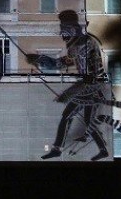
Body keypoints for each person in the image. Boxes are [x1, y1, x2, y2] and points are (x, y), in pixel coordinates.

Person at [27, 10, 111, 160]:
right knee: (85, 120)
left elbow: (92, 72)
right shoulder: (76, 45)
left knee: (68, 116)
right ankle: (102, 149)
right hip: (90, 86)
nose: (61, 33)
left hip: (92, 87)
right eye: (61, 28)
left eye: (64, 28)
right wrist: (39, 59)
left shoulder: (86, 43)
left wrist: (70, 92)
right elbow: (60, 63)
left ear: (73, 27)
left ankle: (58, 149)